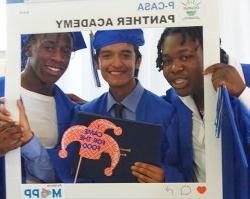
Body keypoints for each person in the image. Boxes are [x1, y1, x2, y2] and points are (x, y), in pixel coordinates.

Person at [69, 29, 182, 183]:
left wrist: (165, 177)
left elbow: (183, 167)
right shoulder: (86, 113)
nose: (116, 63)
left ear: (138, 61)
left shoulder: (166, 113)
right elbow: (80, 170)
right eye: (107, 55)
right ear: (97, 63)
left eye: (125, 55)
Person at [155, 26, 250, 197]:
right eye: (167, 60)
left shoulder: (245, 78)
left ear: (211, 54)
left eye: (185, 57)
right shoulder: (172, 105)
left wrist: (243, 93)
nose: (174, 68)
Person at [0, 32, 86, 199]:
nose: (59, 58)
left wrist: (28, 141)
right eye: (49, 47)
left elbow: (59, 176)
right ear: (28, 49)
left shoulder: (71, 112)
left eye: (66, 51)